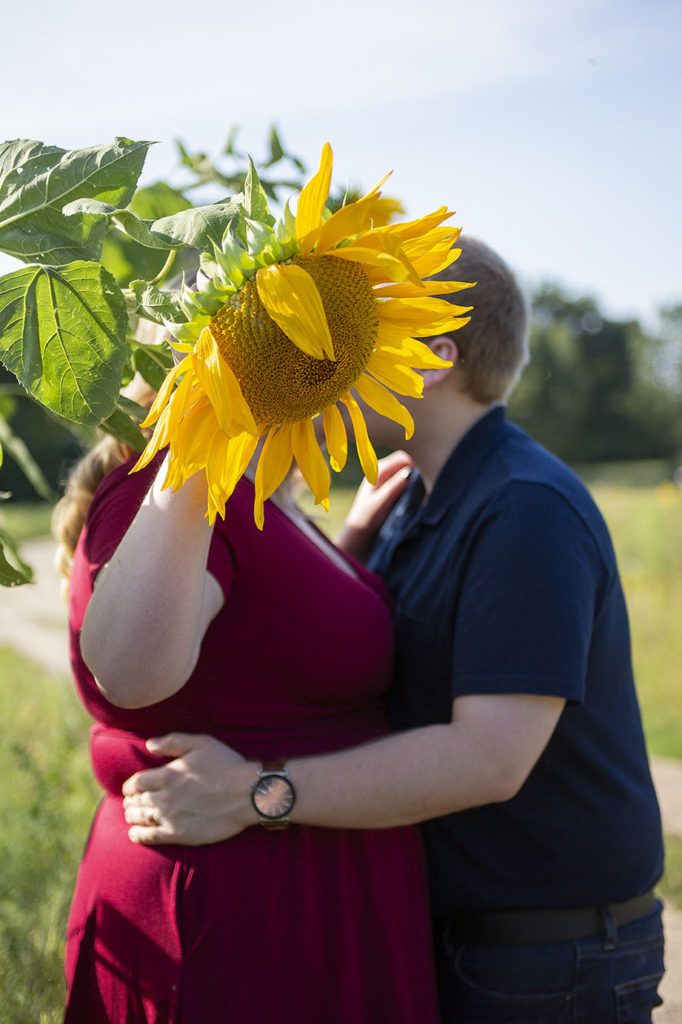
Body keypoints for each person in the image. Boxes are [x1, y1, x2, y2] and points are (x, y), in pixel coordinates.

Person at [122, 237, 666, 1023]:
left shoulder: (524, 509)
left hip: (546, 961)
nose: (330, 352)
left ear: (434, 357)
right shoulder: (418, 498)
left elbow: (485, 758)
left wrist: (253, 793)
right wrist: (347, 553)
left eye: (357, 329)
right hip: (468, 938)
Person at [53, 396, 441, 1020]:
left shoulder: (253, 490)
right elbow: (129, 673)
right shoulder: (171, 487)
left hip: (307, 889)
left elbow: (266, 642)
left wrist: (349, 547)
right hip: (242, 911)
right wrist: (205, 423)